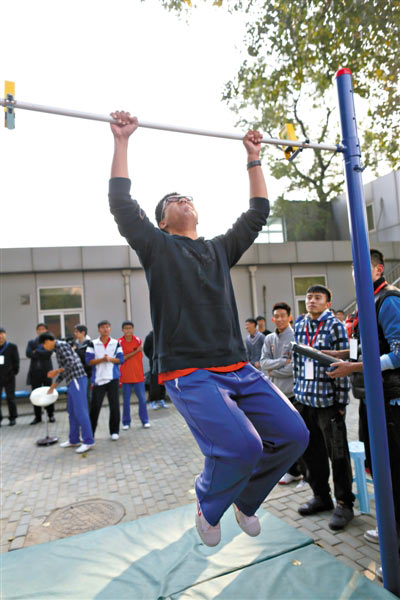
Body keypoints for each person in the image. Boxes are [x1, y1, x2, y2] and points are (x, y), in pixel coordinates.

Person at [107, 110, 309, 547]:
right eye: (172, 200)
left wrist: (254, 157)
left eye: (187, 196)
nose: (182, 199)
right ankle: (207, 500)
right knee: (244, 446)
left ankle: (248, 499)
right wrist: (122, 141)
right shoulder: (158, 247)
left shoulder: (218, 249)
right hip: (188, 371)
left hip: (237, 365)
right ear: (162, 221)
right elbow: (123, 206)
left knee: (294, 435)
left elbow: (257, 213)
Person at [328, 249, 400, 577]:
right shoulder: (364, 305)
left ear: (379, 269)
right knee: (379, 470)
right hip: (371, 398)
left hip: (392, 402)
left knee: (395, 473)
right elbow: (365, 348)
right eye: (353, 271)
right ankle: (391, 531)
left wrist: (354, 367)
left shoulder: (388, 301)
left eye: (363, 269)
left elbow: (398, 354)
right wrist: (334, 354)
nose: (357, 276)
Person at [293, 284, 354, 530]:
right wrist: (297, 396)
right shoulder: (299, 325)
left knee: (337, 454)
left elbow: (344, 364)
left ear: (328, 303)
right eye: (309, 298)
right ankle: (321, 496)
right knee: (311, 453)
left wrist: (340, 402)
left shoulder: (335, 326)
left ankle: (344, 503)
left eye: (317, 298)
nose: (311, 301)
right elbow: (297, 364)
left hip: (328, 403)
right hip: (305, 401)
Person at [260, 303, 304, 485]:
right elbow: (263, 363)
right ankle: (292, 471)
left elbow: (295, 367)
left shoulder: (296, 336)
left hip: (294, 393)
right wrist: (280, 362)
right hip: (276, 393)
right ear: (272, 318)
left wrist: (274, 370)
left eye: (282, 316)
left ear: (290, 317)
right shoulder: (269, 339)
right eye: (276, 316)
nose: (279, 319)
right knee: (283, 435)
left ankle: (306, 473)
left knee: (300, 435)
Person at [39, 332, 94, 454]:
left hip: (77, 379)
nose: (44, 348)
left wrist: (56, 371)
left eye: (43, 345)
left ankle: (88, 441)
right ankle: (74, 440)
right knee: (72, 412)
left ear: (47, 341)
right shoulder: (58, 349)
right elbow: (64, 370)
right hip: (72, 382)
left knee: (81, 411)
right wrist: (53, 386)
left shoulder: (61, 346)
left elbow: (71, 363)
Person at [86, 320, 124, 441]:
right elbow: (89, 361)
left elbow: (121, 359)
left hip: (113, 378)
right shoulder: (93, 343)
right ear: (99, 330)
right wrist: (102, 359)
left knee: (115, 406)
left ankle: (114, 431)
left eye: (107, 327)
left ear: (110, 329)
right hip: (98, 379)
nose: (105, 329)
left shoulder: (116, 343)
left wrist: (111, 359)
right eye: (103, 327)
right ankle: (90, 432)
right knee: (95, 407)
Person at [118, 321, 150, 429]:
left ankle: (145, 420)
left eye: (130, 328)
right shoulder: (119, 342)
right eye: (126, 328)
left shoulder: (138, 340)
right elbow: (122, 358)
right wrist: (136, 351)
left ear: (133, 329)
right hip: (125, 376)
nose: (128, 330)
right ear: (122, 330)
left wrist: (134, 352)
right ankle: (126, 422)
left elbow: (139, 357)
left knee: (142, 399)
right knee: (126, 400)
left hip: (138, 376)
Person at [26, 323, 55, 424]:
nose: (41, 331)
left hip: (47, 372)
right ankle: (37, 417)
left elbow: (49, 353)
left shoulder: (49, 341)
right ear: (36, 331)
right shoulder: (31, 342)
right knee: (35, 394)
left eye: (43, 329)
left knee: (49, 392)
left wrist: (36, 351)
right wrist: (41, 351)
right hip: (35, 372)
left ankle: (51, 415)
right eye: (39, 329)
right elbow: (28, 353)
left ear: (46, 330)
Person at [143, 330, 168, 410]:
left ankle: (161, 399)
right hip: (154, 363)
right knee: (154, 382)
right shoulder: (149, 337)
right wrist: (152, 357)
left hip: (163, 362)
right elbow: (146, 349)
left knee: (163, 382)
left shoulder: (163, 335)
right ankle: (152, 401)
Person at [0, 328, 19, 426]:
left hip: (9, 377)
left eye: (2, 333)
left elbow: (16, 361)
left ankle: (13, 417)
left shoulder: (11, 347)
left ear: (5, 335)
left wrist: (13, 372)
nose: (0, 336)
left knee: (10, 398)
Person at [72, 325, 93, 405]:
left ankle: (90, 414)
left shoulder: (89, 344)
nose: (75, 333)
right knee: (79, 395)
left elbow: (89, 360)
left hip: (86, 373)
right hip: (77, 373)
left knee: (87, 395)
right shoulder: (75, 344)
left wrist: (75, 351)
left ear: (83, 332)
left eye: (77, 332)